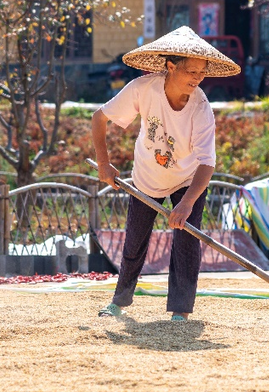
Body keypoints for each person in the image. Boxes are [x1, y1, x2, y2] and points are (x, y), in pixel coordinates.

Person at [91, 26, 241, 321]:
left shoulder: (201, 107)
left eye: (201, 73)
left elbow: (207, 163)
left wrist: (186, 204)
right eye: (191, 72)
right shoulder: (142, 88)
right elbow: (100, 117)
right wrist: (103, 164)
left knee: (186, 242)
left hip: (189, 179)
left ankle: (180, 311)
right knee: (134, 240)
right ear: (171, 67)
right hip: (147, 176)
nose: (197, 79)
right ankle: (119, 302)